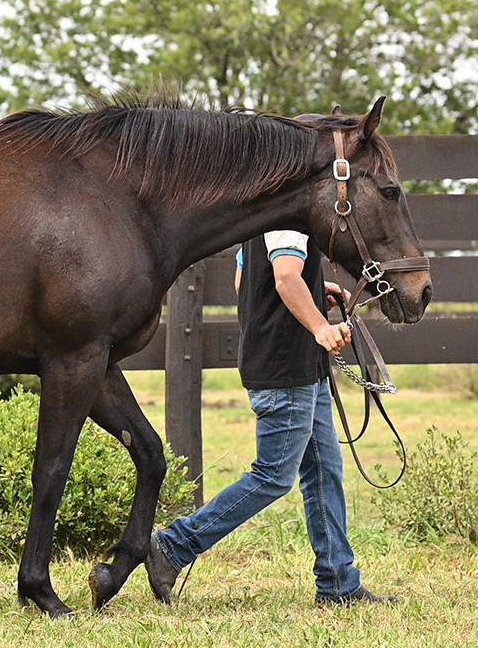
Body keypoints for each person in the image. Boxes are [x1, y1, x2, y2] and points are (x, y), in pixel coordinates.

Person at [145, 230, 396, 605]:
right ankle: (172, 545)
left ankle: (338, 582)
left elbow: (245, 282)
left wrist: (314, 291)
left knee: (324, 469)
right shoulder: (290, 219)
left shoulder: (262, 219)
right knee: (273, 475)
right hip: (286, 369)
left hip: (299, 368)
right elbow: (285, 277)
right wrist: (320, 326)